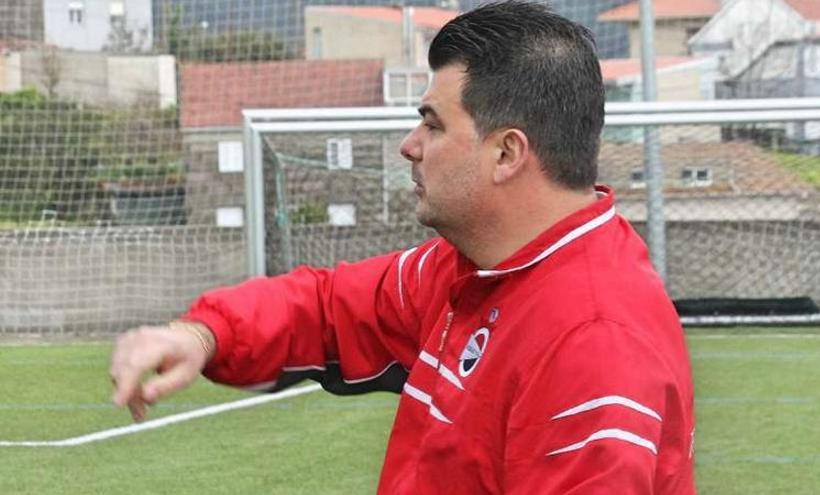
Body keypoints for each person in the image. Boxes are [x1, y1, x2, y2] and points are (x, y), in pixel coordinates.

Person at [110, 1, 696, 493]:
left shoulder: (592, 345)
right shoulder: (471, 269)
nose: (409, 146)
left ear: (507, 154)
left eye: (433, 124)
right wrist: (201, 334)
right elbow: (328, 306)